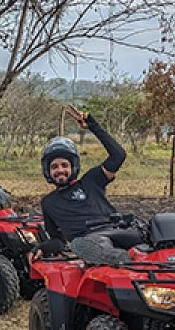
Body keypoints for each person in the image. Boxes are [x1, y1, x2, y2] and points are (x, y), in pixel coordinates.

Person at [31, 104, 138, 262]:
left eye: (64, 165)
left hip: (122, 229)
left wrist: (93, 126)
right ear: (48, 171)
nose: (60, 170)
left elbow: (118, 155)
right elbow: (58, 241)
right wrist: (41, 248)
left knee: (165, 224)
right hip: (91, 240)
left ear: (73, 167)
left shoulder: (91, 180)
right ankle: (117, 260)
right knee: (88, 244)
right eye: (54, 167)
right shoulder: (49, 203)